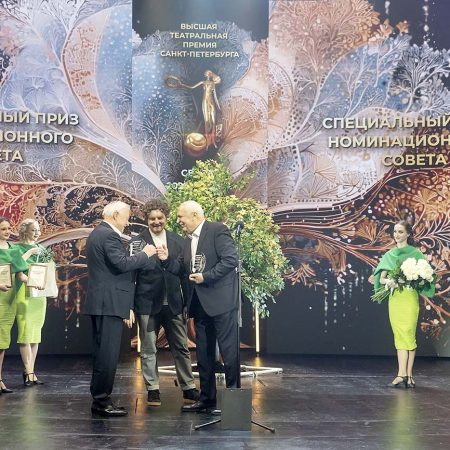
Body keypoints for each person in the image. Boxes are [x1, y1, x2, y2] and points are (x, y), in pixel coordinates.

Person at [157, 200, 239, 412]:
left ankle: (234, 404)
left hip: (221, 302)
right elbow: (182, 269)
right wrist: (166, 260)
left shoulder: (217, 230)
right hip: (200, 304)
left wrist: (206, 277)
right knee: (203, 355)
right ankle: (207, 399)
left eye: (180, 216)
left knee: (229, 354)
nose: (178, 221)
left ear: (194, 215)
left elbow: (230, 260)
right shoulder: (188, 240)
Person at [83, 201, 157, 417]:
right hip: (109, 302)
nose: (127, 222)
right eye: (126, 217)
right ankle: (101, 401)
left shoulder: (98, 233)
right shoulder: (108, 235)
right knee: (107, 354)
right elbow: (122, 264)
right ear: (115, 215)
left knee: (103, 353)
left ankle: (100, 399)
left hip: (103, 302)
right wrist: (146, 253)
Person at [131, 199, 199, 406]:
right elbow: (131, 275)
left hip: (174, 304)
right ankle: (152, 389)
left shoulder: (178, 241)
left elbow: (185, 274)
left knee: (181, 347)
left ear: (166, 218)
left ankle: (189, 388)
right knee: (148, 349)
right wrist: (129, 306)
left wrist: (188, 304)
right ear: (146, 220)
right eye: (152, 218)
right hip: (147, 303)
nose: (156, 222)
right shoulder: (137, 242)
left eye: (160, 218)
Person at [373, 220, 435, 388]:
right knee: (400, 334)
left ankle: (408, 374)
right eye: (395, 231)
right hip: (396, 299)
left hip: (410, 298)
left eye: (400, 232)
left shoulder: (416, 254)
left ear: (408, 234)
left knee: (409, 333)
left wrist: (417, 278)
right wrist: (390, 281)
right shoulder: (390, 254)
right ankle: (403, 375)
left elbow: (426, 276)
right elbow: (381, 278)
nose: (397, 235)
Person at [14, 219, 51, 387]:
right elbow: (18, 270)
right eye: (33, 230)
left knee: (35, 333)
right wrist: (30, 252)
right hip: (24, 291)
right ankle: (28, 371)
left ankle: (31, 371)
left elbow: (49, 268)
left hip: (39, 294)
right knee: (25, 332)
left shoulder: (42, 249)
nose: (37, 233)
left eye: (38, 230)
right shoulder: (17, 248)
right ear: (25, 231)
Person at [0, 217, 29, 394]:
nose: (7, 231)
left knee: (2, 341)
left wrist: (34, 281)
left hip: (8, 300)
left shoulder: (14, 250)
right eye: (3, 229)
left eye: (9, 228)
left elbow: (20, 275)